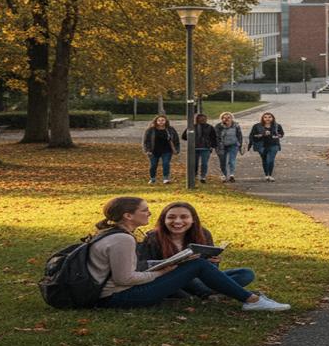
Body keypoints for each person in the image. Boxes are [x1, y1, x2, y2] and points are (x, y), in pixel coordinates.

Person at [88, 196, 289, 311]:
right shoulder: (123, 238)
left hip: (121, 293)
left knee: (239, 272)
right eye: (145, 210)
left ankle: (234, 295)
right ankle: (251, 300)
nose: (149, 213)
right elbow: (125, 278)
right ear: (128, 215)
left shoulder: (119, 235)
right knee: (196, 266)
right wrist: (163, 270)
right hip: (117, 297)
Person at [136, 201, 255, 298]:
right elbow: (145, 267)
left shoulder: (203, 234)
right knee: (192, 281)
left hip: (200, 279)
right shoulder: (152, 237)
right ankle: (215, 292)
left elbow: (210, 270)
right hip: (170, 279)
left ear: (193, 219)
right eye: (171, 217)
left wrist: (214, 262)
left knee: (246, 273)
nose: (177, 221)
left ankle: (208, 292)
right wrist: (178, 264)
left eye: (184, 217)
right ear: (164, 220)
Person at [143, 115, 179, 185]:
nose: (161, 122)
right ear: (156, 121)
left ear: (166, 121)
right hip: (153, 150)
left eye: (163, 120)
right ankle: (152, 178)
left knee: (166, 164)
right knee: (153, 165)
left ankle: (166, 178)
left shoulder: (170, 129)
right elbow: (146, 141)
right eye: (159, 120)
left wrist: (176, 149)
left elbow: (176, 140)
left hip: (167, 150)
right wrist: (147, 150)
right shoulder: (151, 130)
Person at [248, 112, 285, 182]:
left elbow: (281, 134)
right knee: (264, 160)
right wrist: (261, 135)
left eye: (269, 117)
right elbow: (252, 135)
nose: (267, 118)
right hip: (261, 145)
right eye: (265, 117)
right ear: (262, 118)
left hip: (274, 144)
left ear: (272, 118)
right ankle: (266, 175)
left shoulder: (277, 126)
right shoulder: (257, 126)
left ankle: (270, 175)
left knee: (270, 159)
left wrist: (277, 136)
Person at [182, 113, 218, 183]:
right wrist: (191, 137)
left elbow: (214, 138)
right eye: (200, 118)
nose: (202, 120)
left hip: (206, 148)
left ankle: (203, 176)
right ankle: (194, 175)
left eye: (204, 118)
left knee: (204, 163)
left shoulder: (210, 127)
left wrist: (212, 146)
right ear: (197, 119)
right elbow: (184, 137)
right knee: (194, 163)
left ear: (206, 119)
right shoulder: (192, 126)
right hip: (194, 148)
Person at [215, 112, 243, 182]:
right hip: (221, 146)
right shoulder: (218, 126)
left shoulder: (236, 125)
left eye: (228, 117)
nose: (226, 119)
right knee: (223, 161)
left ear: (231, 118)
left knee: (231, 160)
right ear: (221, 119)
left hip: (233, 145)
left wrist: (240, 145)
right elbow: (216, 137)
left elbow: (239, 135)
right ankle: (224, 175)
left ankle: (231, 175)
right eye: (224, 117)